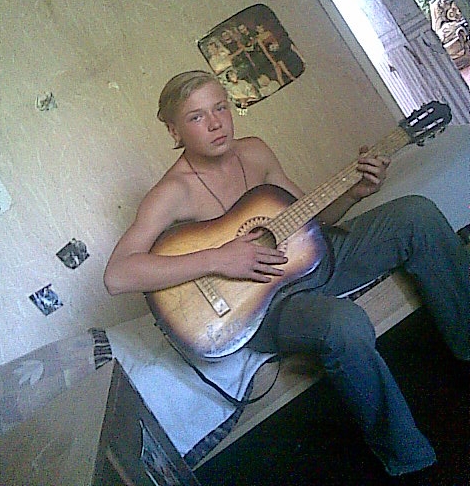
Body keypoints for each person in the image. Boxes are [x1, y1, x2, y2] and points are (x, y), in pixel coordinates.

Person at [104, 70, 470, 479]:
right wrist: (217, 259)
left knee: (416, 214)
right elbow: (118, 275)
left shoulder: (255, 152)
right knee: (343, 324)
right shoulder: (172, 192)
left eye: (220, 108)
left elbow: (313, 219)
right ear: (174, 131)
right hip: (265, 305)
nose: (215, 123)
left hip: (314, 259)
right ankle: (407, 456)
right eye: (196, 117)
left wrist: (354, 191)